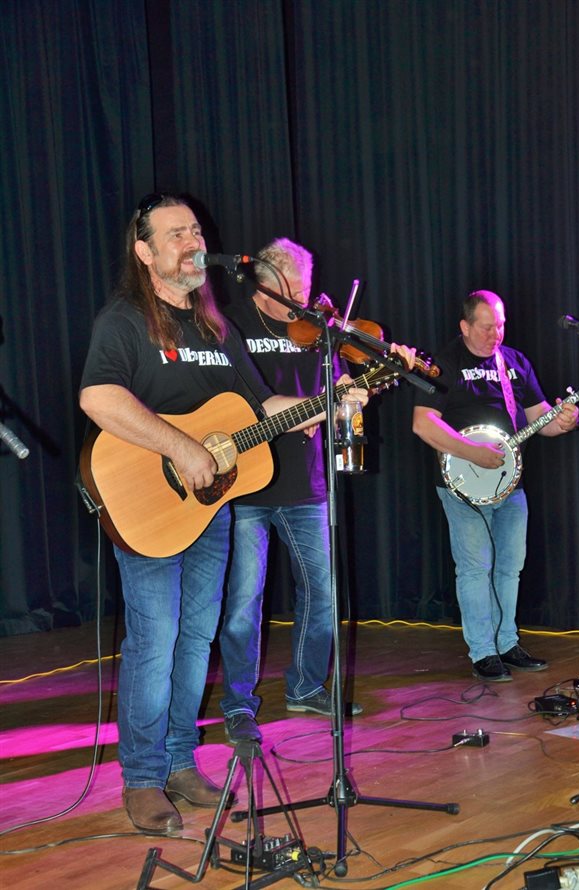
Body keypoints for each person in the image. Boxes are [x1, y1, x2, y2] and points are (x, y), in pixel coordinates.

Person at [78, 196, 363, 835]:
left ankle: (181, 761)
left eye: (195, 230)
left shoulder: (215, 328)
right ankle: (143, 777)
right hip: (147, 501)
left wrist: (331, 399)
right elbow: (99, 397)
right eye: (175, 233)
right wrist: (181, 447)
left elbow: (262, 410)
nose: (192, 241)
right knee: (155, 641)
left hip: (210, 510)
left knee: (196, 639)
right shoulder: (125, 319)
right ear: (145, 252)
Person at [219, 238, 415, 744]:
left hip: (305, 480)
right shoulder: (229, 325)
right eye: (293, 292)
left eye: (306, 292)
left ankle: (306, 687)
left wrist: (355, 396)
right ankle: (238, 703)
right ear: (263, 283)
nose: (303, 303)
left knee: (322, 594)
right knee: (243, 601)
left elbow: (341, 397)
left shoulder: (320, 332)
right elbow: (231, 399)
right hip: (244, 481)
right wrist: (298, 409)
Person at [412, 290, 579, 682]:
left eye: (500, 326)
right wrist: (471, 451)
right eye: (487, 328)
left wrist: (564, 420)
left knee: (509, 568)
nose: (495, 335)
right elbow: (423, 423)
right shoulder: (444, 363)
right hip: (462, 485)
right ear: (465, 326)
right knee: (475, 568)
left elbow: (541, 419)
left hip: (509, 482)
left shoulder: (515, 362)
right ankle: (483, 652)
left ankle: (506, 643)